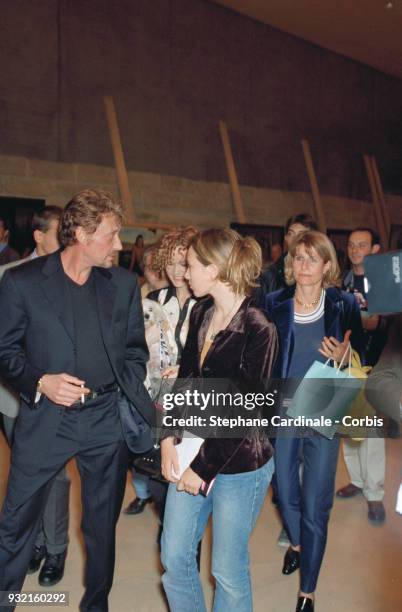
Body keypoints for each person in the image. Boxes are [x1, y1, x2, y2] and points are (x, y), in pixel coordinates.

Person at [0, 189, 154, 611]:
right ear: (82, 235)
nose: (121, 245)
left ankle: (96, 605)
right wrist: (40, 382)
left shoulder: (122, 285)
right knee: (16, 522)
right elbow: (4, 351)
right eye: (113, 235)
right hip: (47, 417)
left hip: (105, 421)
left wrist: (127, 386)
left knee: (101, 527)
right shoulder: (22, 282)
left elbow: (135, 351)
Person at [160, 228, 278, 612]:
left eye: (190, 264)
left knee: (227, 569)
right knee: (174, 557)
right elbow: (185, 382)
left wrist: (203, 467)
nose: (183, 271)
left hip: (241, 464)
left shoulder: (259, 327)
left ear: (213, 270)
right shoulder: (202, 312)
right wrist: (166, 437)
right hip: (192, 446)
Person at [264, 230, 363, 612]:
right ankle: (298, 542)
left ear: (326, 265)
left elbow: (365, 356)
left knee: (316, 500)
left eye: (312, 259)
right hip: (283, 410)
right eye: (298, 258)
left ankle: (308, 592)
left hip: (324, 409)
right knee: (284, 490)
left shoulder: (342, 303)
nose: (303, 266)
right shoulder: (274, 302)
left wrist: (346, 352)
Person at [0, 205, 71, 587]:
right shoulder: (7, 276)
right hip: (13, 399)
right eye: (60, 232)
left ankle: (57, 548)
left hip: (57, 400)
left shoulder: (73, 279)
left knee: (56, 476)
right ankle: (37, 543)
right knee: (26, 476)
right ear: (39, 236)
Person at [125, 227, 197, 516]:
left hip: (192, 398)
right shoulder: (153, 298)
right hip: (156, 394)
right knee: (157, 473)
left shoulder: (206, 302)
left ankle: (178, 537)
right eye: (171, 262)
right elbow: (132, 347)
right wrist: (148, 337)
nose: (178, 270)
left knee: (185, 476)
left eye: (184, 263)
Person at [336, 228, 388, 523]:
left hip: (375, 363)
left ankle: (375, 493)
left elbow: (376, 323)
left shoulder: (382, 283)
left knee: (372, 430)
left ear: (376, 249)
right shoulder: (342, 280)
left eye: (363, 245)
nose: (356, 250)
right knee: (349, 424)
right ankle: (356, 480)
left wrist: (352, 319)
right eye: (352, 245)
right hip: (344, 362)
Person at [255, 213, 318, 304]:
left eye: (301, 234)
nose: (295, 239)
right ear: (286, 238)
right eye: (291, 234)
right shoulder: (269, 275)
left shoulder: (319, 272)